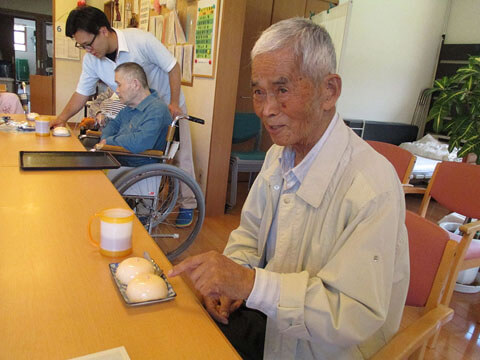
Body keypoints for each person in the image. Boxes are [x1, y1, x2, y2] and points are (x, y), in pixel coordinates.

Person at [169, 18, 410, 359]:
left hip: (323, 350)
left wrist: (250, 284)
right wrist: (228, 283)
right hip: (272, 321)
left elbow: (353, 314)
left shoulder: (372, 187)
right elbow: (250, 234)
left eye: (282, 90)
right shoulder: (278, 157)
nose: (267, 110)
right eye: (258, 91)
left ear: (329, 91)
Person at [54, 6, 196, 226]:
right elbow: (81, 93)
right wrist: (61, 119)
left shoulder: (140, 40)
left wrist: (175, 103)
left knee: (180, 156)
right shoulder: (92, 60)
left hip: (166, 106)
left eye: (88, 44)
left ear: (103, 30)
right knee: (130, 146)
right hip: (132, 109)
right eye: (81, 46)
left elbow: (173, 67)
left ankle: (188, 204)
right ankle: (131, 202)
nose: (87, 51)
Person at [98, 62, 170, 167]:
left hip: (138, 169)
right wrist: (105, 140)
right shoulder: (129, 107)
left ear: (135, 84)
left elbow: (140, 142)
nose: (117, 90)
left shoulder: (157, 110)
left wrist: (109, 141)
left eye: (119, 85)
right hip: (119, 162)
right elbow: (111, 126)